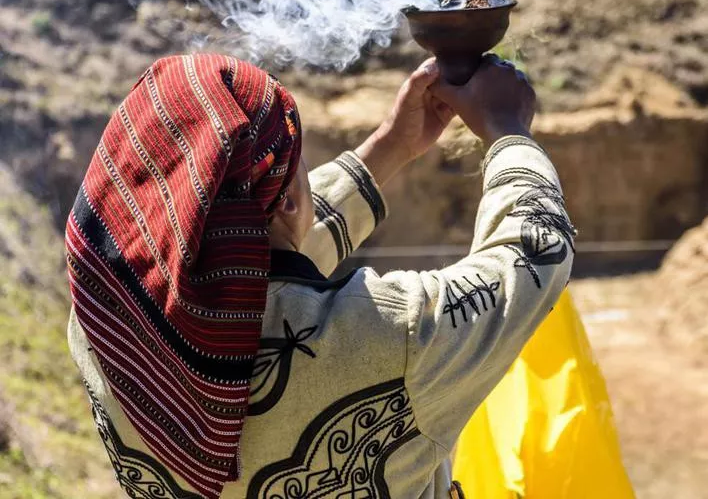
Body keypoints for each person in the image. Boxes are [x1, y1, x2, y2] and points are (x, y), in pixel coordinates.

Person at [66, 53, 575, 499]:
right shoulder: (394, 337)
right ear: (286, 198)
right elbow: (534, 256)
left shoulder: (100, 323)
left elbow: (246, 250)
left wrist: (391, 145)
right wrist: (509, 132)